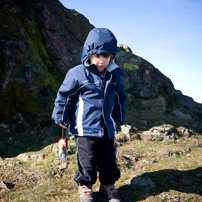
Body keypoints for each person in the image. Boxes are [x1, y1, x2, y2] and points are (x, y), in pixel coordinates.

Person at [52, 28, 126, 202]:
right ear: (89, 54)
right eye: (98, 56)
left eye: (106, 57)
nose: (101, 61)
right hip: (84, 128)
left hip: (106, 127)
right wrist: (61, 116)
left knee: (108, 160)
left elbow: (120, 98)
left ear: (111, 57)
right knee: (87, 161)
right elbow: (65, 95)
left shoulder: (114, 75)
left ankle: (108, 186)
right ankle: (85, 186)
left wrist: (118, 118)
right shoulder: (77, 73)